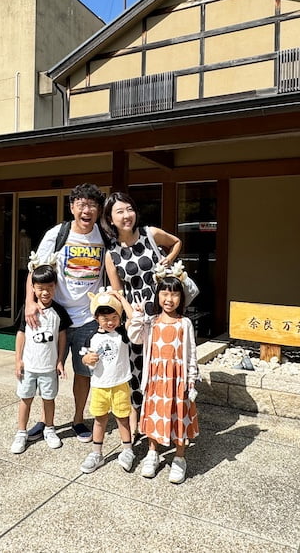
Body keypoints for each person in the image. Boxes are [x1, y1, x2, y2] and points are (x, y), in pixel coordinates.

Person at [24, 183, 107, 443]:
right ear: (72, 207)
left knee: (83, 374)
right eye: (81, 205)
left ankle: (78, 419)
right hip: (54, 318)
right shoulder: (57, 234)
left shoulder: (104, 236)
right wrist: (30, 302)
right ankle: (45, 420)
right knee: (45, 370)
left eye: (92, 205)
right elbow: (35, 269)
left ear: (98, 210)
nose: (87, 210)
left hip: (88, 319)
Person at [101, 191, 182, 436]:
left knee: (163, 367)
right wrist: (130, 314)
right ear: (110, 219)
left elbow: (176, 242)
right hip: (136, 320)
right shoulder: (111, 254)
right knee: (138, 371)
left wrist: (168, 260)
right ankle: (142, 425)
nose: (127, 215)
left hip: (162, 313)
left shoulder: (150, 234)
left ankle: (167, 419)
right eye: (120, 212)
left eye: (129, 209)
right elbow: (118, 292)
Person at [126, 264, 199, 484]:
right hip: (156, 379)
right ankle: (152, 452)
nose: (169, 298)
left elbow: (191, 353)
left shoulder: (184, 323)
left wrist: (192, 379)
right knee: (155, 415)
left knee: (179, 417)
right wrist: (137, 316)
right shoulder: (151, 322)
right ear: (157, 295)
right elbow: (134, 337)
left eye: (174, 294)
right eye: (165, 293)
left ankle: (179, 457)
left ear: (181, 297)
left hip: (178, 380)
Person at [10, 257, 71, 454]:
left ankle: (50, 429)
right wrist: (18, 360)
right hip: (29, 366)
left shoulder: (58, 312)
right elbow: (20, 335)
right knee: (25, 398)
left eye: (50, 287)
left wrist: (60, 360)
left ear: (55, 287)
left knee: (49, 399)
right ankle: (21, 433)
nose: (45, 292)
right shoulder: (28, 311)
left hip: (48, 367)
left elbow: (62, 337)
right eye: (40, 288)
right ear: (33, 289)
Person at [78, 288, 135, 473]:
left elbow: (133, 318)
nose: (110, 322)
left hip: (120, 384)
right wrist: (86, 360)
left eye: (114, 317)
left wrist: (120, 298)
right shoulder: (91, 338)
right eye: (105, 319)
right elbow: (85, 358)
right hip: (99, 386)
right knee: (100, 419)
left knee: (123, 418)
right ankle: (96, 453)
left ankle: (127, 450)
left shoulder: (123, 334)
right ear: (96, 319)